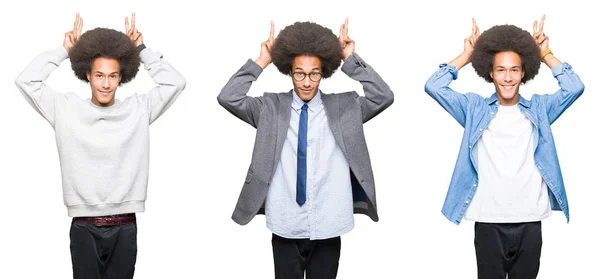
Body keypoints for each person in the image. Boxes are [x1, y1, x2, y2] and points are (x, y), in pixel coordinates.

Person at [217, 18, 393, 279]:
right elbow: (228, 97)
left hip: (330, 220)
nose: (307, 82)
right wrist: (262, 60)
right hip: (285, 221)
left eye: (314, 73)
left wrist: (350, 58)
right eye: (300, 73)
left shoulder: (347, 108)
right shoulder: (269, 108)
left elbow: (383, 96)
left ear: (324, 72)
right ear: (290, 71)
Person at [15, 13, 186, 278]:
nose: (106, 84)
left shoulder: (138, 109)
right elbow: (26, 81)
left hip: (125, 224)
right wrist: (63, 51)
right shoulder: (65, 109)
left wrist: (141, 50)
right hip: (83, 225)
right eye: (99, 75)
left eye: (113, 76)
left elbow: (176, 82)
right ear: (87, 75)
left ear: (122, 77)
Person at [424, 16, 584, 278]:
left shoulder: (541, 110)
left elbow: (574, 87)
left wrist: (545, 53)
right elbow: (434, 85)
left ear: (523, 73)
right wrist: (466, 55)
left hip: (530, 220)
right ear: (491, 72)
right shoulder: (474, 109)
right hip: (488, 221)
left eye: (514, 70)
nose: (507, 77)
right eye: (500, 69)